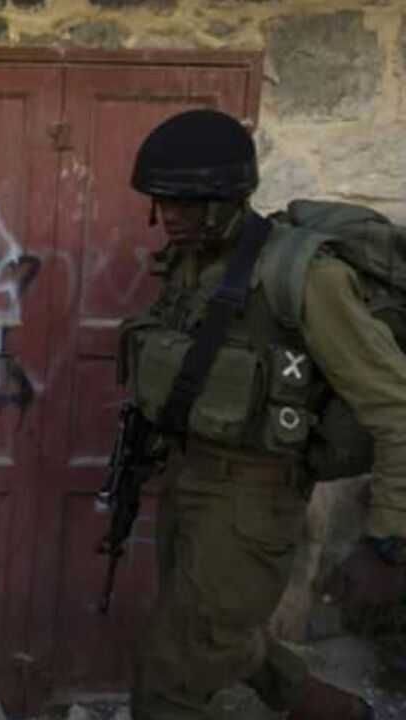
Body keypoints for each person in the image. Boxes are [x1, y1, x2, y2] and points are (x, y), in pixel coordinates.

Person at [120, 108, 406, 719]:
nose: (170, 216)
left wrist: (388, 540)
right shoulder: (191, 263)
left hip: (254, 497)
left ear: (230, 199)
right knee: (211, 632)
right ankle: (336, 711)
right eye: (162, 201)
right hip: (189, 478)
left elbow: (396, 407)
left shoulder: (303, 277)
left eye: (189, 203)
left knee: (172, 673)